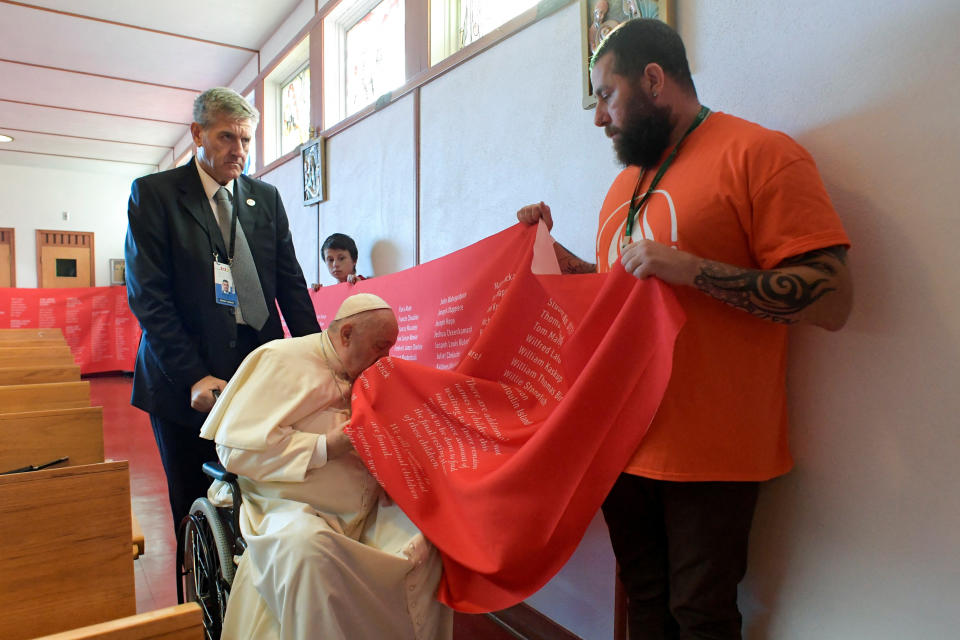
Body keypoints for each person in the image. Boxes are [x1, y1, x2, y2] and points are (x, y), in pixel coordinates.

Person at [516, 19, 852, 640]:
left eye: (605, 96)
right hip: (620, 441)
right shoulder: (624, 184)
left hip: (714, 450)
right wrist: (564, 259)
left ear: (652, 80)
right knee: (644, 604)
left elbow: (833, 299)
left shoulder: (760, 154)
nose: (597, 119)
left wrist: (694, 270)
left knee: (701, 615)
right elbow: (626, 294)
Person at [199, 293, 452, 640]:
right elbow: (235, 451)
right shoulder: (280, 359)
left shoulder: (372, 373)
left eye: (390, 348)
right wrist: (325, 447)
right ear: (346, 333)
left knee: (428, 540)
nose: (386, 359)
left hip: (364, 507)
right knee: (309, 551)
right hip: (286, 503)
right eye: (380, 346)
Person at [125, 87, 321, 533]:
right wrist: (193, 374)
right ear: (198, 134)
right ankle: (201, 595)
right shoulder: (155, 195)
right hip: (185, 378)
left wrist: (318, 358)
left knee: (258, 496)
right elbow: (149, 297)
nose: (239, 151)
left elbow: (290, 286)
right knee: (196, 500)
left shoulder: (264, 198)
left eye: (246, 141)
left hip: (255, 372)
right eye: (226, 138)